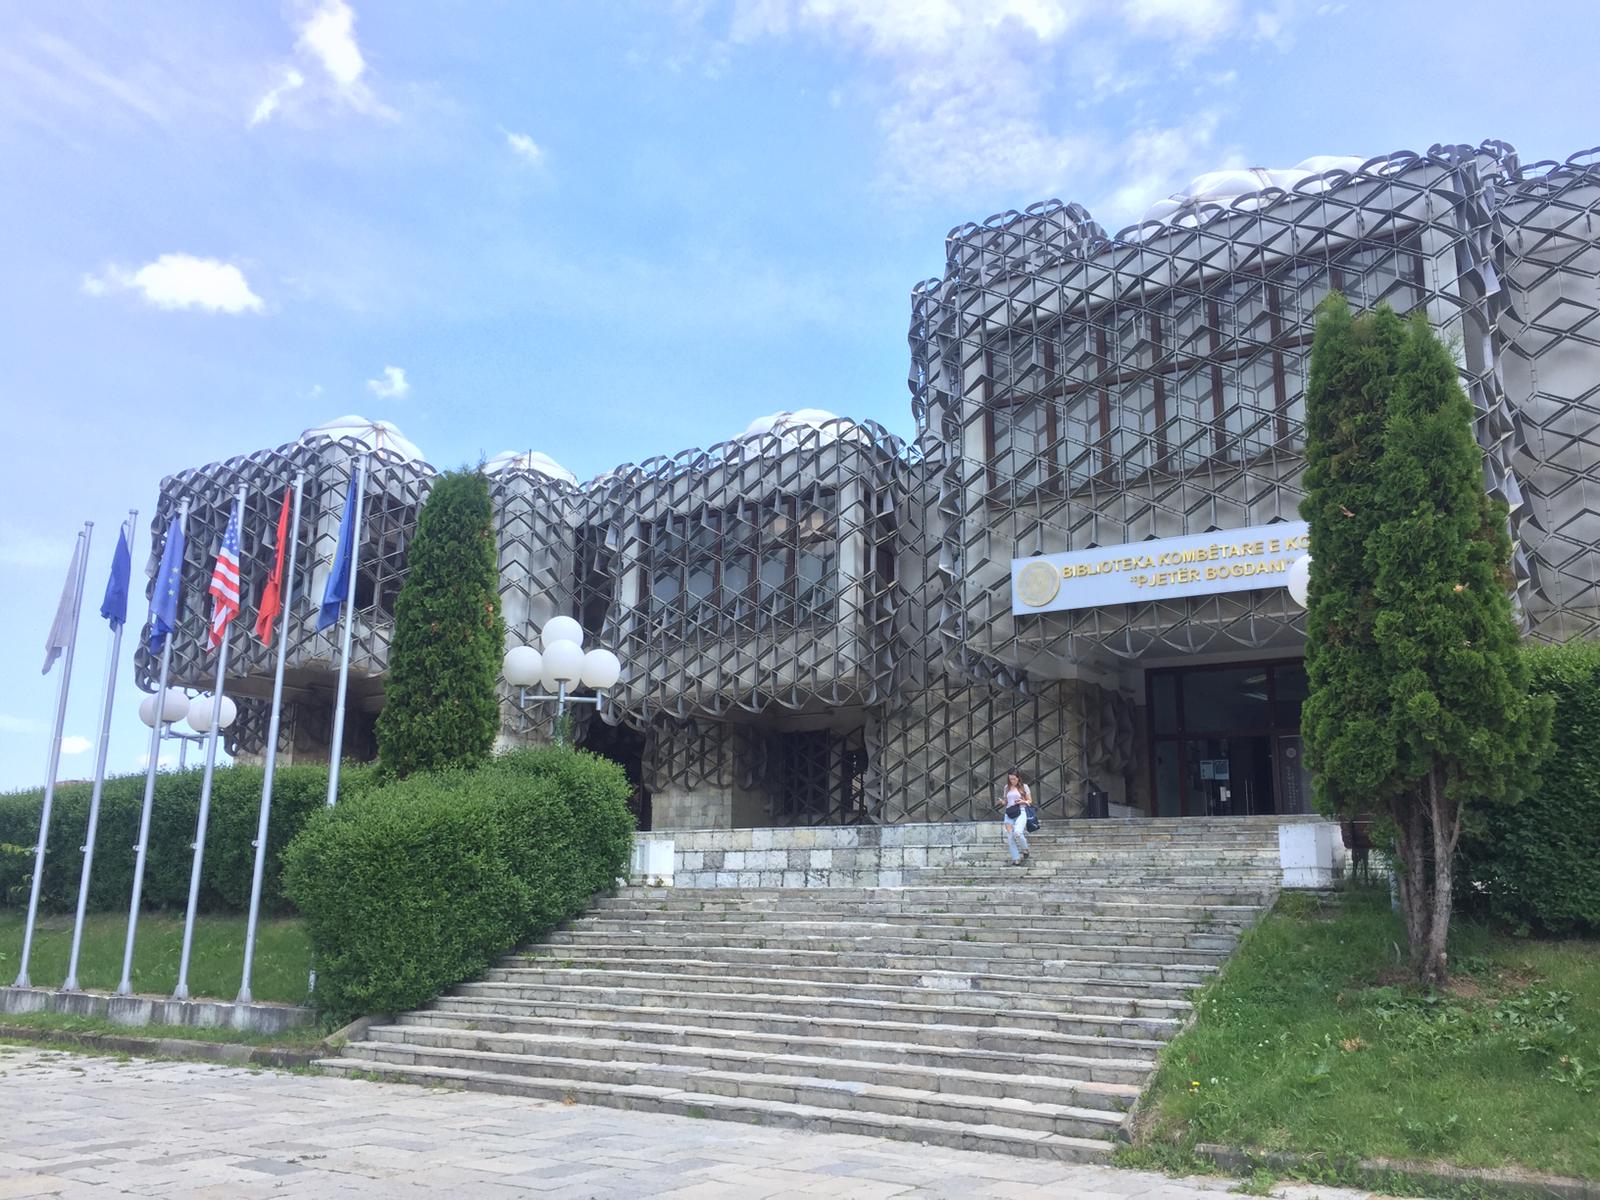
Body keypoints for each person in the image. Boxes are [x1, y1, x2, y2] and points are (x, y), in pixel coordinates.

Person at [996, 769, 1032, 866]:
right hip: (1009, 814)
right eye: (1010, 779)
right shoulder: (1006, 788)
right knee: (1010, 836)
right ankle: (1016, 858)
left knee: (1017, 832)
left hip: (1021, 812)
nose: (1012, 781)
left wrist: (1023, 801)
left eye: (1014, 779)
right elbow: (1006, 802)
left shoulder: (1024, 787)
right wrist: (1002, 802)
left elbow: (1030, 801)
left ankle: (1025, 849)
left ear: (1018, 778)